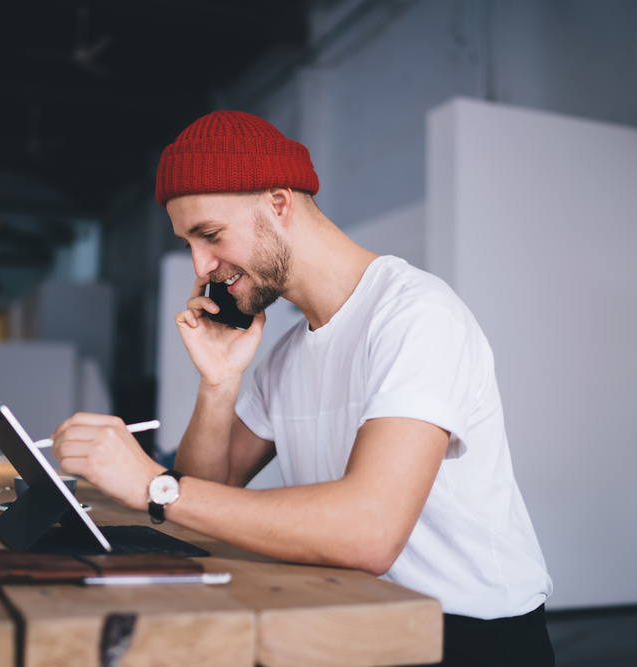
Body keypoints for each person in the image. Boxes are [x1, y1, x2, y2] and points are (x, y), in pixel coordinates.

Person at [51, 110, 555, 666]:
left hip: (467, 637)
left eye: (210, 235)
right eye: (189, 242)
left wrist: (154, 486)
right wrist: (219, 381)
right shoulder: (288, 356)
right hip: (355, 614)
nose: (202, 266)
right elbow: (207, 494)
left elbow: (369, 531)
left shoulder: (417, 316)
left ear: (279, 202)